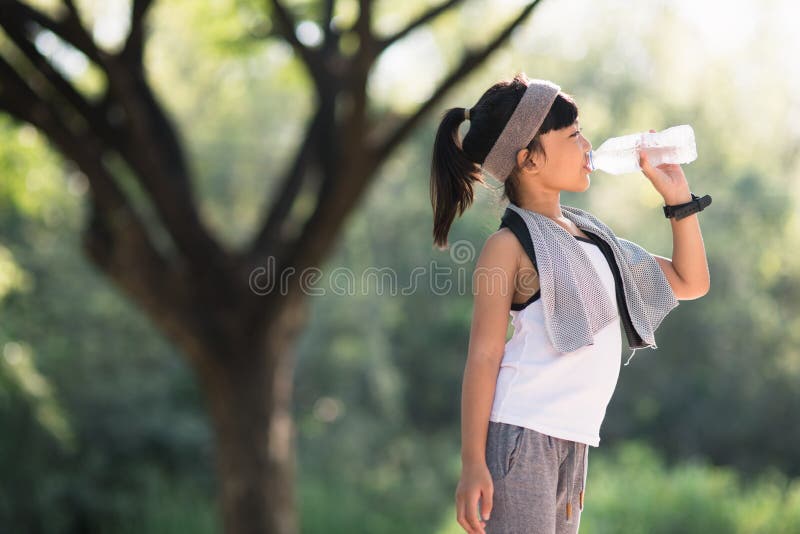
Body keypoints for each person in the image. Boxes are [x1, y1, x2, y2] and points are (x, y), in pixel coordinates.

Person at [429, 73, 711, 534]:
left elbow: (689, 280)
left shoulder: (595, 240)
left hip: (573, 440)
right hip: (521, 437)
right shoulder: (508, 245)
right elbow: (483, 356)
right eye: (573, 134)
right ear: (528, 159)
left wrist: (678, 200)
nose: (588, 146)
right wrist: (472, 463)